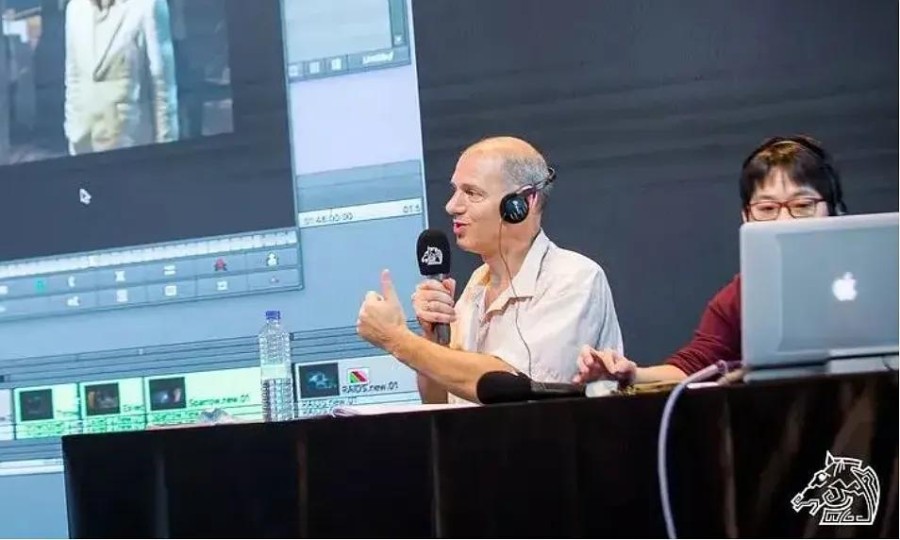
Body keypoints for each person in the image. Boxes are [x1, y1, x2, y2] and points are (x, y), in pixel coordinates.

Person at [357, 136, 623, 403]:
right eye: (455, 191)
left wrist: (396, 339)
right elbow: (438, 403)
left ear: (523, 202)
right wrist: (434, 340)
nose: (452, 206)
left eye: (472, 193)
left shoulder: (573, 279)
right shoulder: (476, 286)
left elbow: (515, 391)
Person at [573, 135, 846, 386]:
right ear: (746, 217)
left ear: (833, 210)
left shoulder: (870, 276)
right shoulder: (740, 296)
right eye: (767, 208)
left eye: (802, 206)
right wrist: (633, 374)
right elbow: (694, 366)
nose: (783, 221)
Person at [64, 0, 179, 155]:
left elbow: (162, 88)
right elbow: (73, 78)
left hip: (128, 145)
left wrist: (166, 153)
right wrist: (72, 131)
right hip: (82, 143)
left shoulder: (147, 5)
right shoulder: (75, 8)